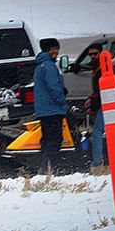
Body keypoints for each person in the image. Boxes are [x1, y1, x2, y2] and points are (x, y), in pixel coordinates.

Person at [33, 38, 67, 175]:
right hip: (53, 110)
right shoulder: (49, 66)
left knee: (47, 140)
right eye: (52, 48)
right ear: (47, 50)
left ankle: (45, 167)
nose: (56, 51)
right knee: (55, 140)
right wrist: (62, 101)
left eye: (56, 48)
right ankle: (51, 168)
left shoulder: (39, 66)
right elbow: (54, 88)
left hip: (43, 110)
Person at [83, 43, 106, 169]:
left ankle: (97, 162)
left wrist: (93, 105)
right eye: (90, 54)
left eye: (95, 54)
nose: (92, 56)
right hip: (103, 103)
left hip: (106, 104)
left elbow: (101, 92)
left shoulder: (102, 69)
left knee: (97, 132)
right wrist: (91, 98)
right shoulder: (97, 69)